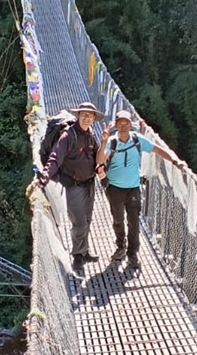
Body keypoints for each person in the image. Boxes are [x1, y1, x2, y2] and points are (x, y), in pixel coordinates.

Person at [99, 110, 185, 269]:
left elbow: (158, 149)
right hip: (114, 188)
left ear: (131, 125)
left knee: (134, 222)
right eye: (120, 123)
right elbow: (99, 160)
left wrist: (175, 160)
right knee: (117, 219)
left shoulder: (138, 140)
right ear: (115, 125)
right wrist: (103, 142)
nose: (123, 126)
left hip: (133, 188)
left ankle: (132, 253)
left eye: (126, 123)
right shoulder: (111, 142)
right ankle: (120, 245)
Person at [38, 101, 109, 273]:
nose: (86, 118)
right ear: (78, 115)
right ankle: (77, 255)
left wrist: (102, 163)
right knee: (79, 223)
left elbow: (97, 157)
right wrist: (46, 176)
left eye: (90, 116)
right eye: (83, 115)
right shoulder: (68, 136)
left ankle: (84, 252)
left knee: (87, 220)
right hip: (74, 185)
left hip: (90, 183)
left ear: (93, 119)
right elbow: (55, 157)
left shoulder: (90, 134)